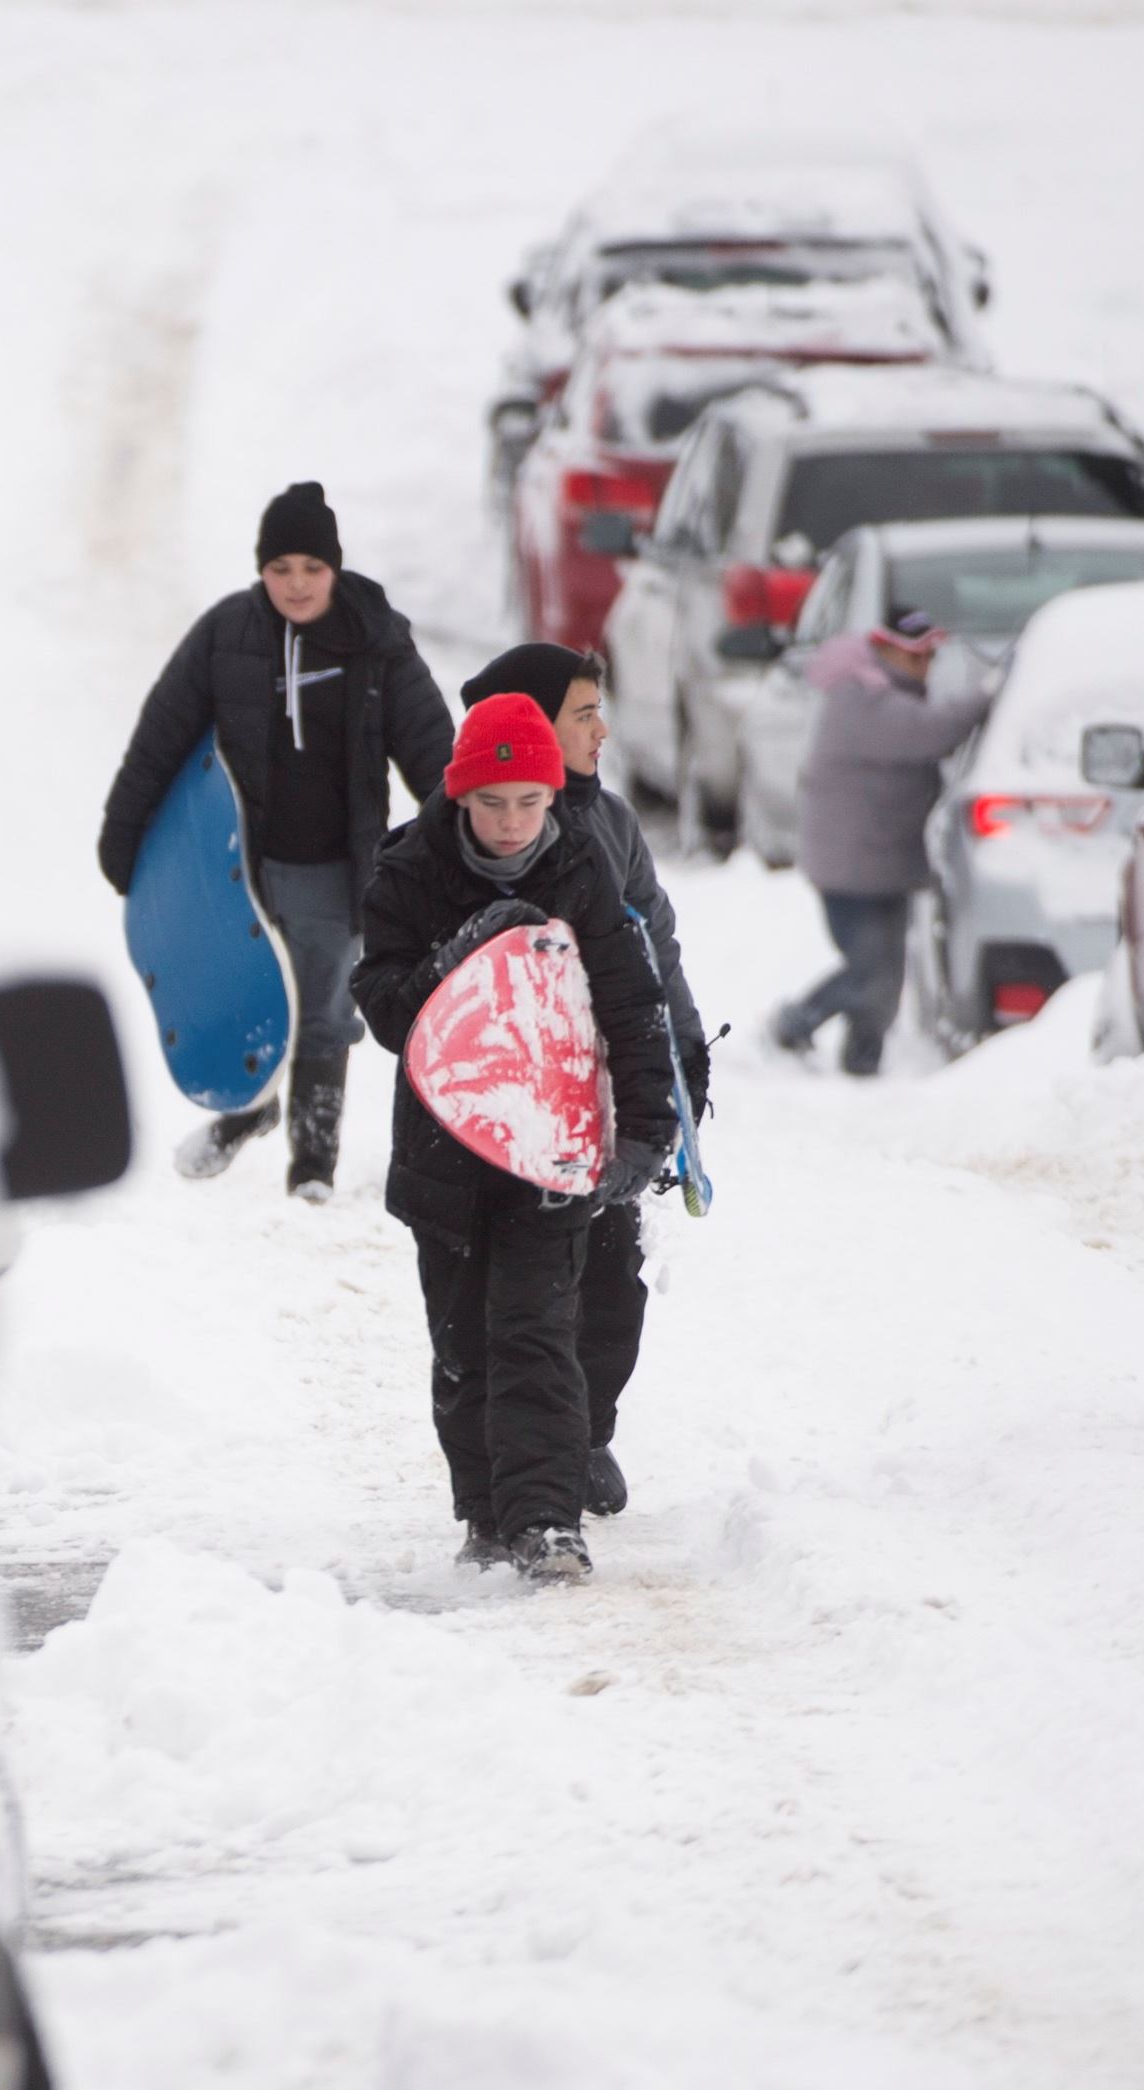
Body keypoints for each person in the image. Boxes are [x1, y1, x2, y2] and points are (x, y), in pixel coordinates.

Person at [351, 693, 680, 1585]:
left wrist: (650, 1129)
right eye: (490, 802)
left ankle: (545, 1521)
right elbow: (383, 1005)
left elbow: (630, 1003)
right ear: (459, 796)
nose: (509, 822)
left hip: (554, 1142)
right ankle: (486, 1514)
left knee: (537, 1328)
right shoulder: (409, 870)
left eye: (528, 801)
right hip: (446, 1148)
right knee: (464, 1338)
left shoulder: (579, 868)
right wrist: (464, 950)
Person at [99, 481, 459, 1199]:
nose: (296, 584)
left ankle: (312, 1166)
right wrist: (127, 831)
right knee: (250, 990)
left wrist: (459, 837)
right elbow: (161, 738)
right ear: (262, 569)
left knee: (325, 1008)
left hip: (337, 864)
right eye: (280, 568)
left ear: (336, 568)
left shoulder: (376, 638)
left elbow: (431, 749)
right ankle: (248, 1110)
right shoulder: (227, 634)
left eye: (312, 569)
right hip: (244, 862)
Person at [457, 641, 707, 1519]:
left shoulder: (612, 821)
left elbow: (653, 945)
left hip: (610, 1094)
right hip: (524, 1106)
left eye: (599, 710)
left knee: (611, 1282)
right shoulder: (486, 828)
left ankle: (588, 1429)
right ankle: (527, 1467)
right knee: (523, 1300)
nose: (602, 729)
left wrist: (679, 1053)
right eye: (583, 713)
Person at [773, 603, 988, 1076]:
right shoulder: (862, 699)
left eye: (932, 657)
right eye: (920, 657)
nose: (926, 668)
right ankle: (795, 1024)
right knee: (871, 972)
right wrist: (987, 695)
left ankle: (862, 1063)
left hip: (878, 865)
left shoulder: (881, 692)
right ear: (888, 650)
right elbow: (932, 732)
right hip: (851, 869)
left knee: (884, 977)